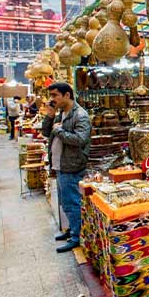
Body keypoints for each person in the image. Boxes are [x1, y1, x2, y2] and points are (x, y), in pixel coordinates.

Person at [42, 82, 91, 253]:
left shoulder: (80, 115)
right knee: (66, 202)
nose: (52, 99)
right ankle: (72, 230)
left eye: (55, 95)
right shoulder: (60, 114)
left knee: (72, 203)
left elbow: (80, 139)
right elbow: (46, 133)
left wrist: (58, 131)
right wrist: (49, 117)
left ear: (67, 95)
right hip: (61, 164)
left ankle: (77, 237)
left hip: (72, 165)